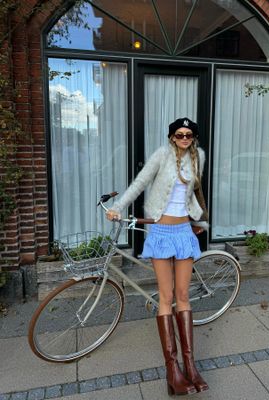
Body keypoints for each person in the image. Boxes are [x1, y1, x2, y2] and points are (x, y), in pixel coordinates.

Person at [106, 117, 209, 396]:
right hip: (161, 232)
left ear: (194, 138)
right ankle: (172, 370)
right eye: (179, 134)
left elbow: (194, 192)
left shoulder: (198, 156)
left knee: (183, 296)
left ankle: (190, 364)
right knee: (166, 298)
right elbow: (140, 183)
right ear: (172, 136)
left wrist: (198, 218)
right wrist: (118, 206)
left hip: (184, 231)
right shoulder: (161, 155)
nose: (184, 139)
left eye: (189, 135)